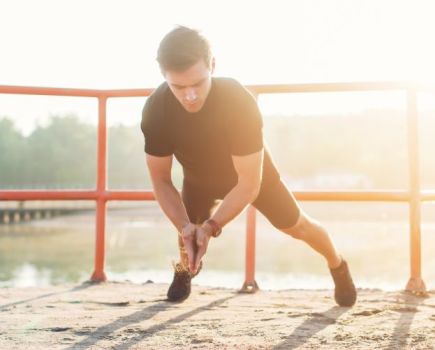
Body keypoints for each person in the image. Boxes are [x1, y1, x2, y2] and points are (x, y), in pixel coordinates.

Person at [141, 25, 357, 306]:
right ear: (164, 77)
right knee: (186, 232)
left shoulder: (238, 101)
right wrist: (186, 226)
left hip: (254, 178)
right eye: (179, 87)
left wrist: (211, 227)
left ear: (213, 65)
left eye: (197, 83)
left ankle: (337, 265)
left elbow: (248, 184)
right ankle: (185, 269)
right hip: (198, 180)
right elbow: (161, 180)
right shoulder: (156, 109)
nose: (190, 95)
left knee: (299, 227)